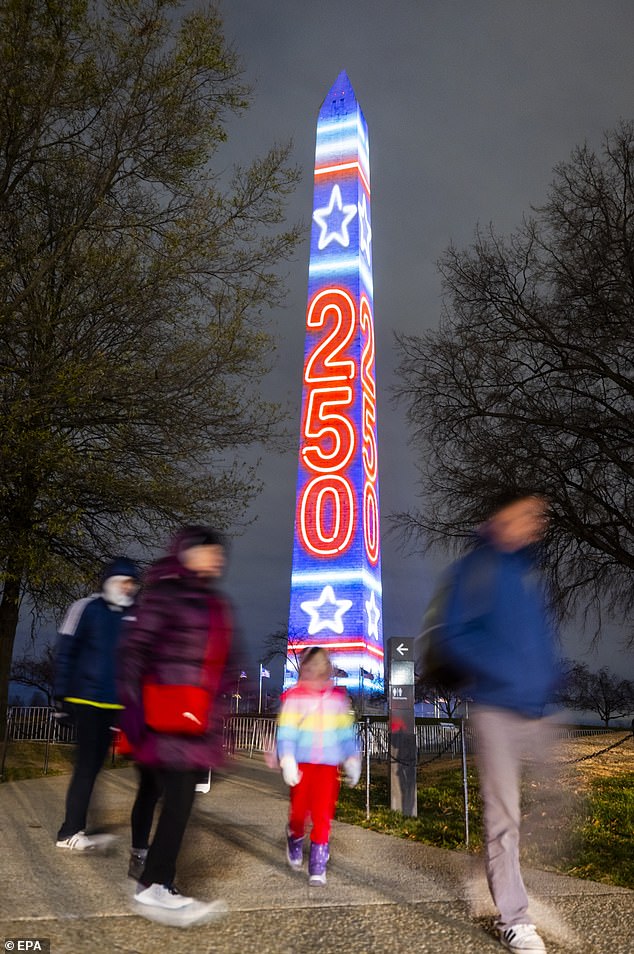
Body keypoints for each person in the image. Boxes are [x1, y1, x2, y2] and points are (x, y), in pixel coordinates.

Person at [440, 490, 559, 954]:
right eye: (527, 512)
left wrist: (545, 679)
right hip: (494, 707)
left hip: (534, 708)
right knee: (504, 817)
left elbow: (536, 639)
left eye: (539, 516)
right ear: (501, 515)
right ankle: (514, 918)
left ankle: (497, 870)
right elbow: (454, 636)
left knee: (561, 802)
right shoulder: (477, 568)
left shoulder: (527, 573)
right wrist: (505, 672)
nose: (536, 522)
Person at [117, 525, 241, 928]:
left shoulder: (216, 603)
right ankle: (154, 884)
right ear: (189, 552)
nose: (218, 558)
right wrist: (134, 710)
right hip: (165, 716)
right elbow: (134, 651)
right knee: (177, 801)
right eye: (210, 551)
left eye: (220, 553)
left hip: (195, 721)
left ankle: (157, 883)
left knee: (178, 802)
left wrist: (229, 705)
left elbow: (227, 664)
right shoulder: (167, 594)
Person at [54, 557, 140, 851]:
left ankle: (76, 827)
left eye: (132, 584)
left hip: (112, 704)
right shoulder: (86, 608)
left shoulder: (132, 615)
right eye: (123, 582)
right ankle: (69, 832)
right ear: (110, 582)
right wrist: (60, 698)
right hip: (85, 698)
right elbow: (66, 652)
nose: (128, 588)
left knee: (94, 766)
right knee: (87, 765)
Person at [276, 646, 361, 886]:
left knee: (323, 813)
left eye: (320, 664)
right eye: (311, 664)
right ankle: (294, 835)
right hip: (302, 764)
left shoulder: (337, 699)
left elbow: (345, 733)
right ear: (304, 668)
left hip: (328, 766)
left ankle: (318, 863)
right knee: (299, 812)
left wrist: (352, 758)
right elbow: (286, 732)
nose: (316, 669)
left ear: (327, 667)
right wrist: (287, 759)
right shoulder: (294, 697)